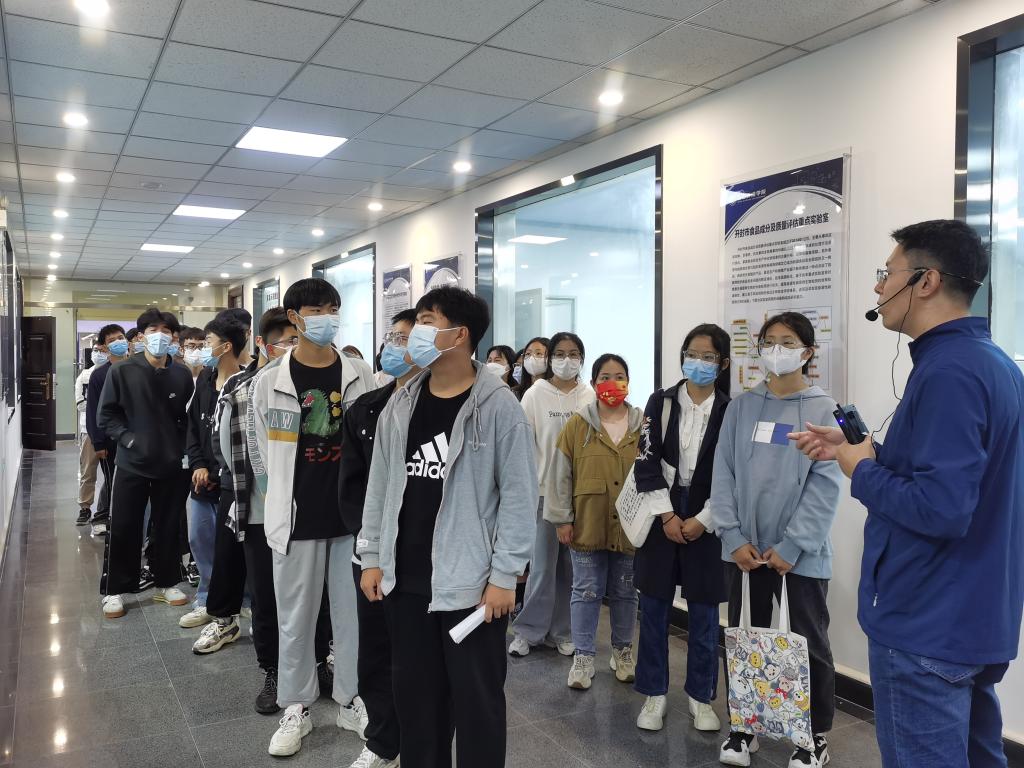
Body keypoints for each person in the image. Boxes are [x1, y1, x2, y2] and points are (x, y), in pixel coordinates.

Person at [790, 220, 1024, 768]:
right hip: (971, 617)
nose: (878, 287)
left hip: (926, 624)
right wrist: (862, 449)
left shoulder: (949, 373)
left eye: (887, 273)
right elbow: (955, 478)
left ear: (926, 280)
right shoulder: (991, 363)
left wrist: (861, 470)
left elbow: (941, 509)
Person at [359, 286, 537, 768]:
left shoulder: (499, 408)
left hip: (471, 587)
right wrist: (371, 555)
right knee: (417, 706)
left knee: (478, 707)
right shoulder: (401, 404)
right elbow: (380, 486)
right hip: (406, 581)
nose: (415, 332)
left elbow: (520, 498)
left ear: (459, 335)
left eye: (426, 321)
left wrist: (505, 576)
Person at [250, 277, 375, 757]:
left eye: (332, 308)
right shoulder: (270, 381)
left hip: (350, 516)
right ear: (295, 317)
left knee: (352, 615)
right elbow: (262, 455)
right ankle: (296, 706)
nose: (327, 318)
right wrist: (278, 499)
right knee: (296, 618)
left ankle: (350, 698)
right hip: (296, 517)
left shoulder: (360, 374)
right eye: (316, 310)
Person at [711, 312, 841, 768]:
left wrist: (793, 545)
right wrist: (732, 536)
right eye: (768, 342)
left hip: (800, 555)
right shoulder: (742, 407)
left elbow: (825, 486)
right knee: (745, 639)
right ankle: (744, 726)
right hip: (745, 551)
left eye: (787, 342)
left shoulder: (825, 409)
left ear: (807, 352)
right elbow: (723, 474)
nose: (776, 350)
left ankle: (813, 736)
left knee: (806, 644)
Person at [633, 325, 731, 734]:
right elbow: (645, 459)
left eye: (708, 357)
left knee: (705, 615)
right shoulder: (661, 401)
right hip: (663, 511)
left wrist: (703, 520)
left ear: (723, 363)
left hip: (709, 515)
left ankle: (701, 697)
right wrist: (667, 516)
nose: (698, 362)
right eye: (692, 354)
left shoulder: (730, 410)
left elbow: (733, 474)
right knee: (654, 609)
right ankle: (654, 693)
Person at [338, 309, 420, 768]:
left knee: (420, 656)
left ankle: (424, 740)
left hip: (425, 556)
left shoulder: (446, 410)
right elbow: (351, 487)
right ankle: (383, 742)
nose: (395, 345)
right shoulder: (366, 409)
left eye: (407, 337)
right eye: (392, 337)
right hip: (373, 554)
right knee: (376, 651)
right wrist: (369, 543)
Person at [546, 353, 643, 691]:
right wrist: (562, 519)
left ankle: (622, 651)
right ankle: (584, 656)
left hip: (630, 528)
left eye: (619, 376)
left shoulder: (643, 425)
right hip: (587, 524)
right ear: (593, 382)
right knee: (585, 591)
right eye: (604, 377)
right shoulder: (578, 425)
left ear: (628, 382)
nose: (611, 383)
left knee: (626, 592)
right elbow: (560, 475)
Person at [97, 309, 194, 619]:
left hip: (170, 465)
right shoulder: (122, 371)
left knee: (168, 525)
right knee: (124, 526)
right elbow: (107, 415)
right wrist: (129, 440)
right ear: (141, 336)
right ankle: (115, 589)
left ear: (174, 338)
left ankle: (167, 583)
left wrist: (182, 450)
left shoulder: (181, 374)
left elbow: (186, 419)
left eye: (167, 330)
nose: (160, 335)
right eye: (154, 330)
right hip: (132, 463)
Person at [509, 332, 594, 658]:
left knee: (571, 570)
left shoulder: (588, 396)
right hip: (543, 493)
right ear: (550, 359)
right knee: (542, 567)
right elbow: (522, 445)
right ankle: (528, 631)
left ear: (581, 359)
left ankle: (562, 631)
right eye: (560, 354)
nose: (566, 360)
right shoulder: (535, 395)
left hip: (580, 496)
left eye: (574, 354)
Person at [184, 316, 249, 648]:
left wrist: (215, 471)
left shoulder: (247, 381)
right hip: (202, 479)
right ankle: (209, 603)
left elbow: (239, 439)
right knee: (200, 539)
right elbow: (195, 428)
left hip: (231, 481)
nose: (202, 349)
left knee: (231, 550)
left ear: (226, 346)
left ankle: (233, 610)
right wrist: (198, 464)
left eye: (207, 342)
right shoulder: (205, 380)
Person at [86, 324, 128, 537]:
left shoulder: (136, 368)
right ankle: (103, 517)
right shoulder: (99, 375)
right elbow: (93, 411)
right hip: (109, 441)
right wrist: (98, 442)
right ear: (104, 346)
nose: (118, 342)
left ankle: (125, 520)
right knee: (113, 481)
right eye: (112, 340)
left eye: (121, 337)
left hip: (133, 438)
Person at [75, 344, 103, 525]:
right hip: (89, 431)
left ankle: (107, 510)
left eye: (102, 350)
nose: (99, 354)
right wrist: (103, 404)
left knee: (113, 475)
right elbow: (81, 405)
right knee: (88, 472)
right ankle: (85, 507)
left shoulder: (115, 373)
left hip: (111, 431)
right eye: (96, 351)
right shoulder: (84, 376)